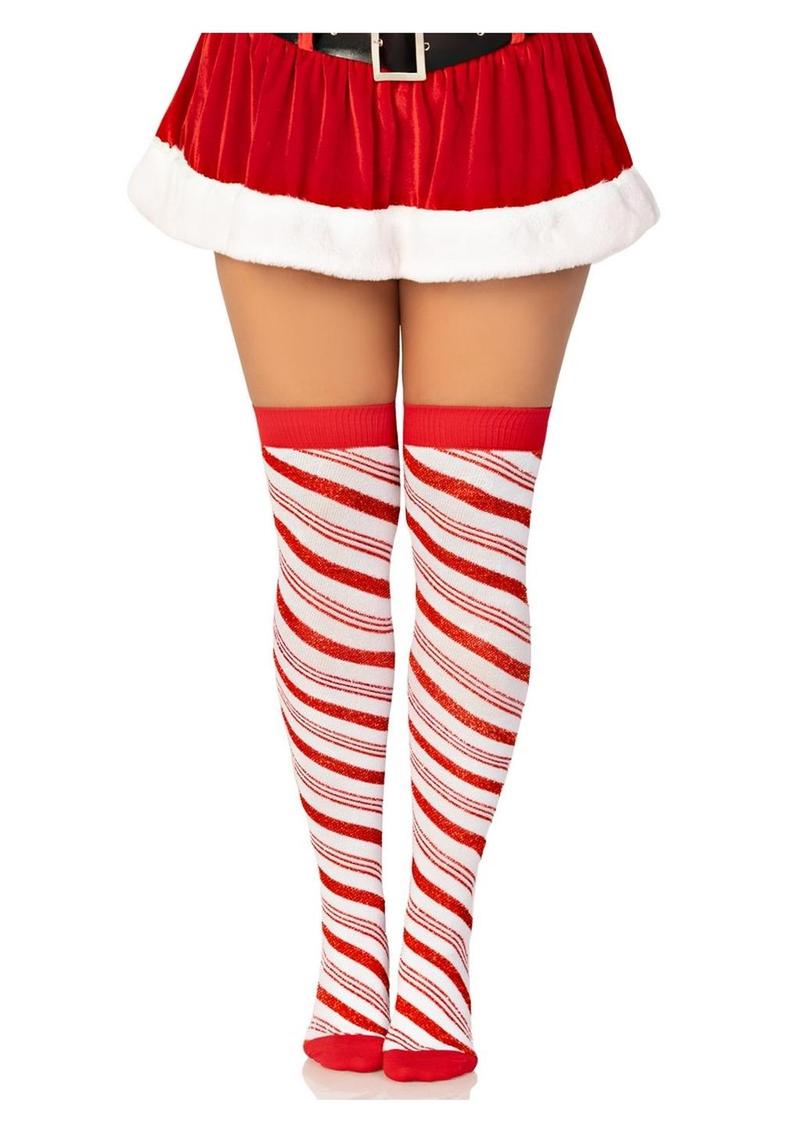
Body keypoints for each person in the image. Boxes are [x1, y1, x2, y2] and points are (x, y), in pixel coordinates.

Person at [128, 31, 659, 1083]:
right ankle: (350, 937)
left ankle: (436, 944)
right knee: (325, 545)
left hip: (506, 83)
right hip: (285, 86)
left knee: (475, 545)